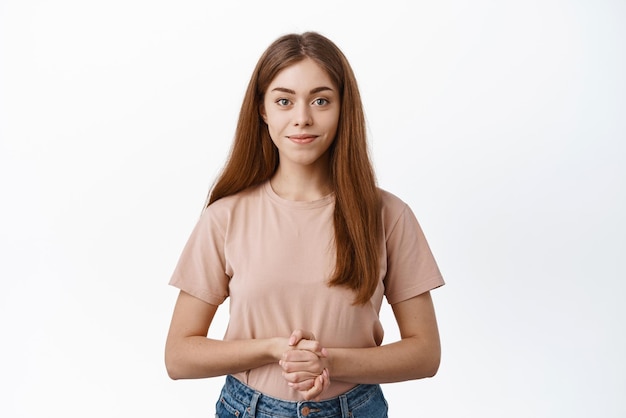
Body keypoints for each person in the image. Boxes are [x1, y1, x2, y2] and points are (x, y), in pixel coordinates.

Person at [165, 31, 444, 418]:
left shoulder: (389, 215)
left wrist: (330, 362)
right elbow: (178, 357)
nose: (302, 118)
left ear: (343, 107)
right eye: (284, 101)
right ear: (263, 110)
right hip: (247, 409)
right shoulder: (224, 217)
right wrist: (271, 349)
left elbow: (425, 353)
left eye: (321, 100)